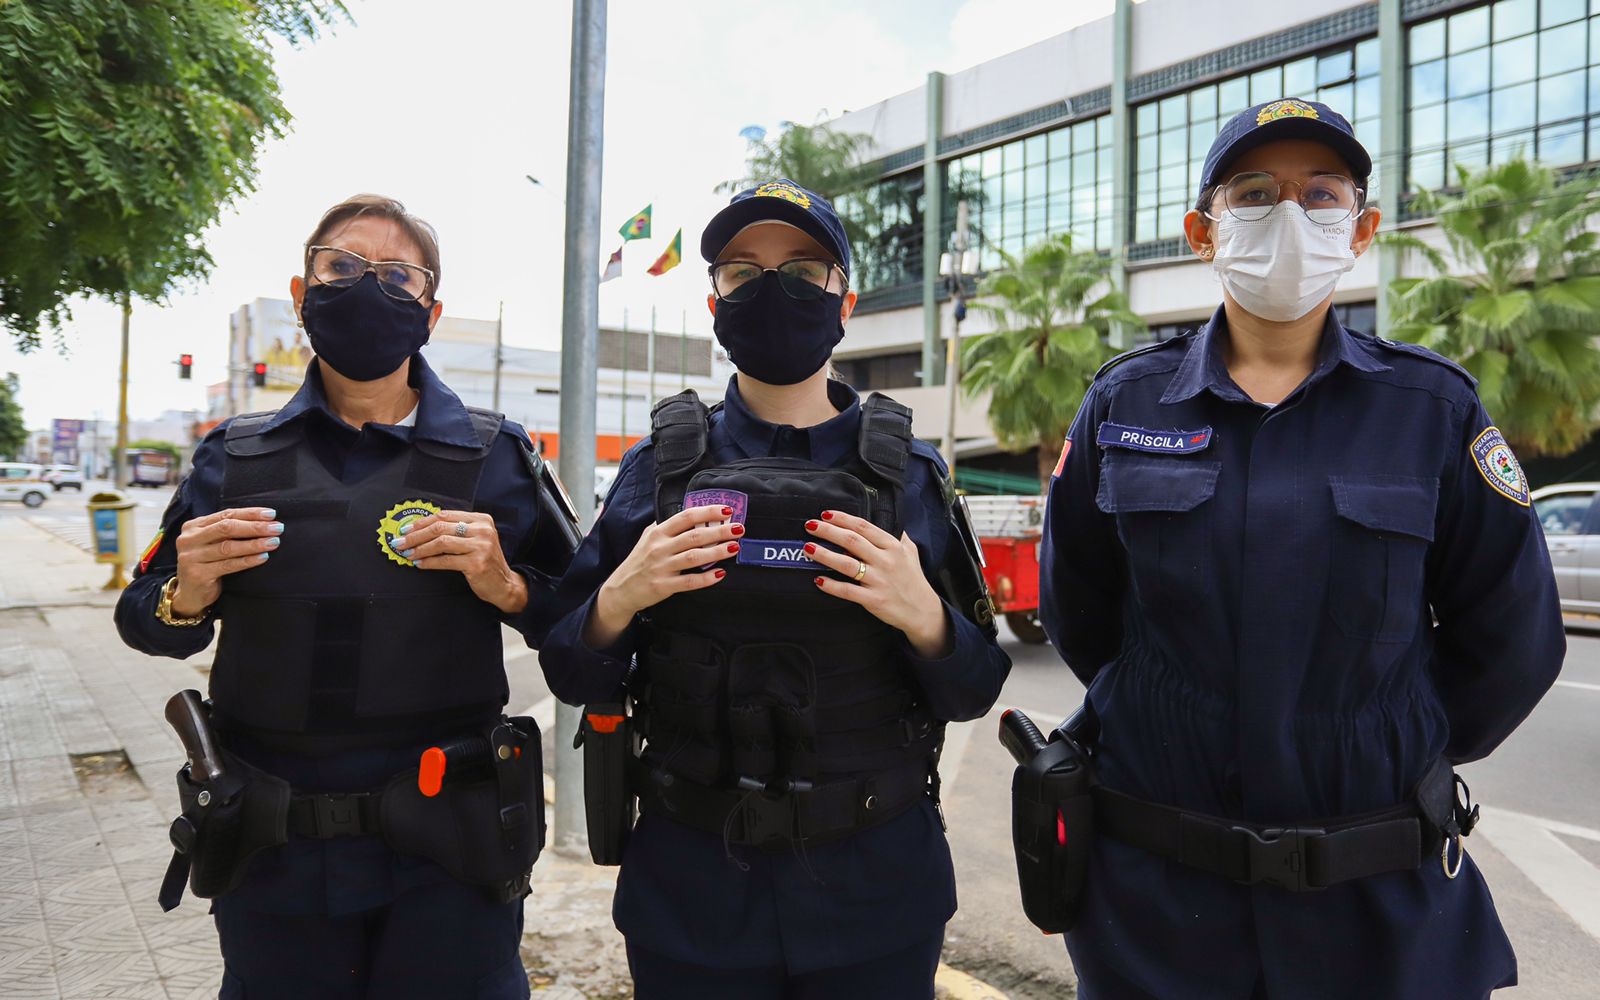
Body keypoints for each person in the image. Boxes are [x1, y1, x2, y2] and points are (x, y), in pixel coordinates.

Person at [1040, 99, 1565, 999]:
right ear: (1202, 232)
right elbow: (1080, 611)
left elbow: (1514, 635)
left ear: (1360, 228)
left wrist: (1383, 738)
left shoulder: (1432, 410)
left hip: (1381, 908)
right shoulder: (1125, 406)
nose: (1290, 215)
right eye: (1254, 193)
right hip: (1160, 912)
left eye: (1321, 195)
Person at [539, 179, 1011, 998]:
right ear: (715, 300)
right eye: (742, 272)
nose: (770, 290)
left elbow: (976, 689)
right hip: (692, 895)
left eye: (802, 270)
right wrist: (620, 598)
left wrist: (925, 617)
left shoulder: (910, 476)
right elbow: (570, 672)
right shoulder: (660, 469)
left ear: (845, 300)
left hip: (874, 894)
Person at [115, 194, 577, 999]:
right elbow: (145, 620)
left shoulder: (496, 456)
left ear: (430, 311)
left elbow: (580, 620)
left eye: (398, 276)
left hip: (451, 849)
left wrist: (505, 585)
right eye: (341, 267)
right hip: (273, 848)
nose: (369, 287)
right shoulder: (233, 458)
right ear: (303, 295)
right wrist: (186, 593)